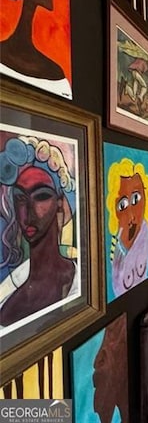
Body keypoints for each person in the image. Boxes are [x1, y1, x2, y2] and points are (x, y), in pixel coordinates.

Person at [0, 136, 77, 327]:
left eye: (41, 196)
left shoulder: (78, 280)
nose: (29, 212)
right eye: (20, 198)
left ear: (60, 203)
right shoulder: (7, 295)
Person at [106, 158, 148, 298]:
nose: (131, 216)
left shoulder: (147, 238)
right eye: (122, 205)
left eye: (136, 199)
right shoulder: (115, 250)